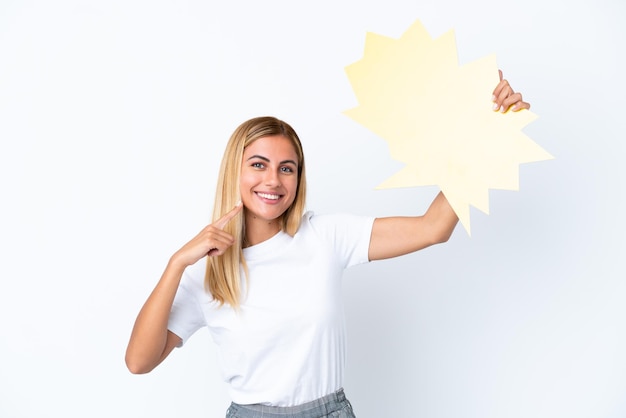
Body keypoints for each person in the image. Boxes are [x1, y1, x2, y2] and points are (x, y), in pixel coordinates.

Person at [125, 71, 530, 418]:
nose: (273, 181)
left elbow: (433, 227)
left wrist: (488, 139)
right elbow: (139, 362)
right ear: (236, 170)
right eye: (258, 164)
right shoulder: (207, 270)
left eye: (287, 169)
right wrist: (177, 263)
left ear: (298, 179)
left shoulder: (325, 236)